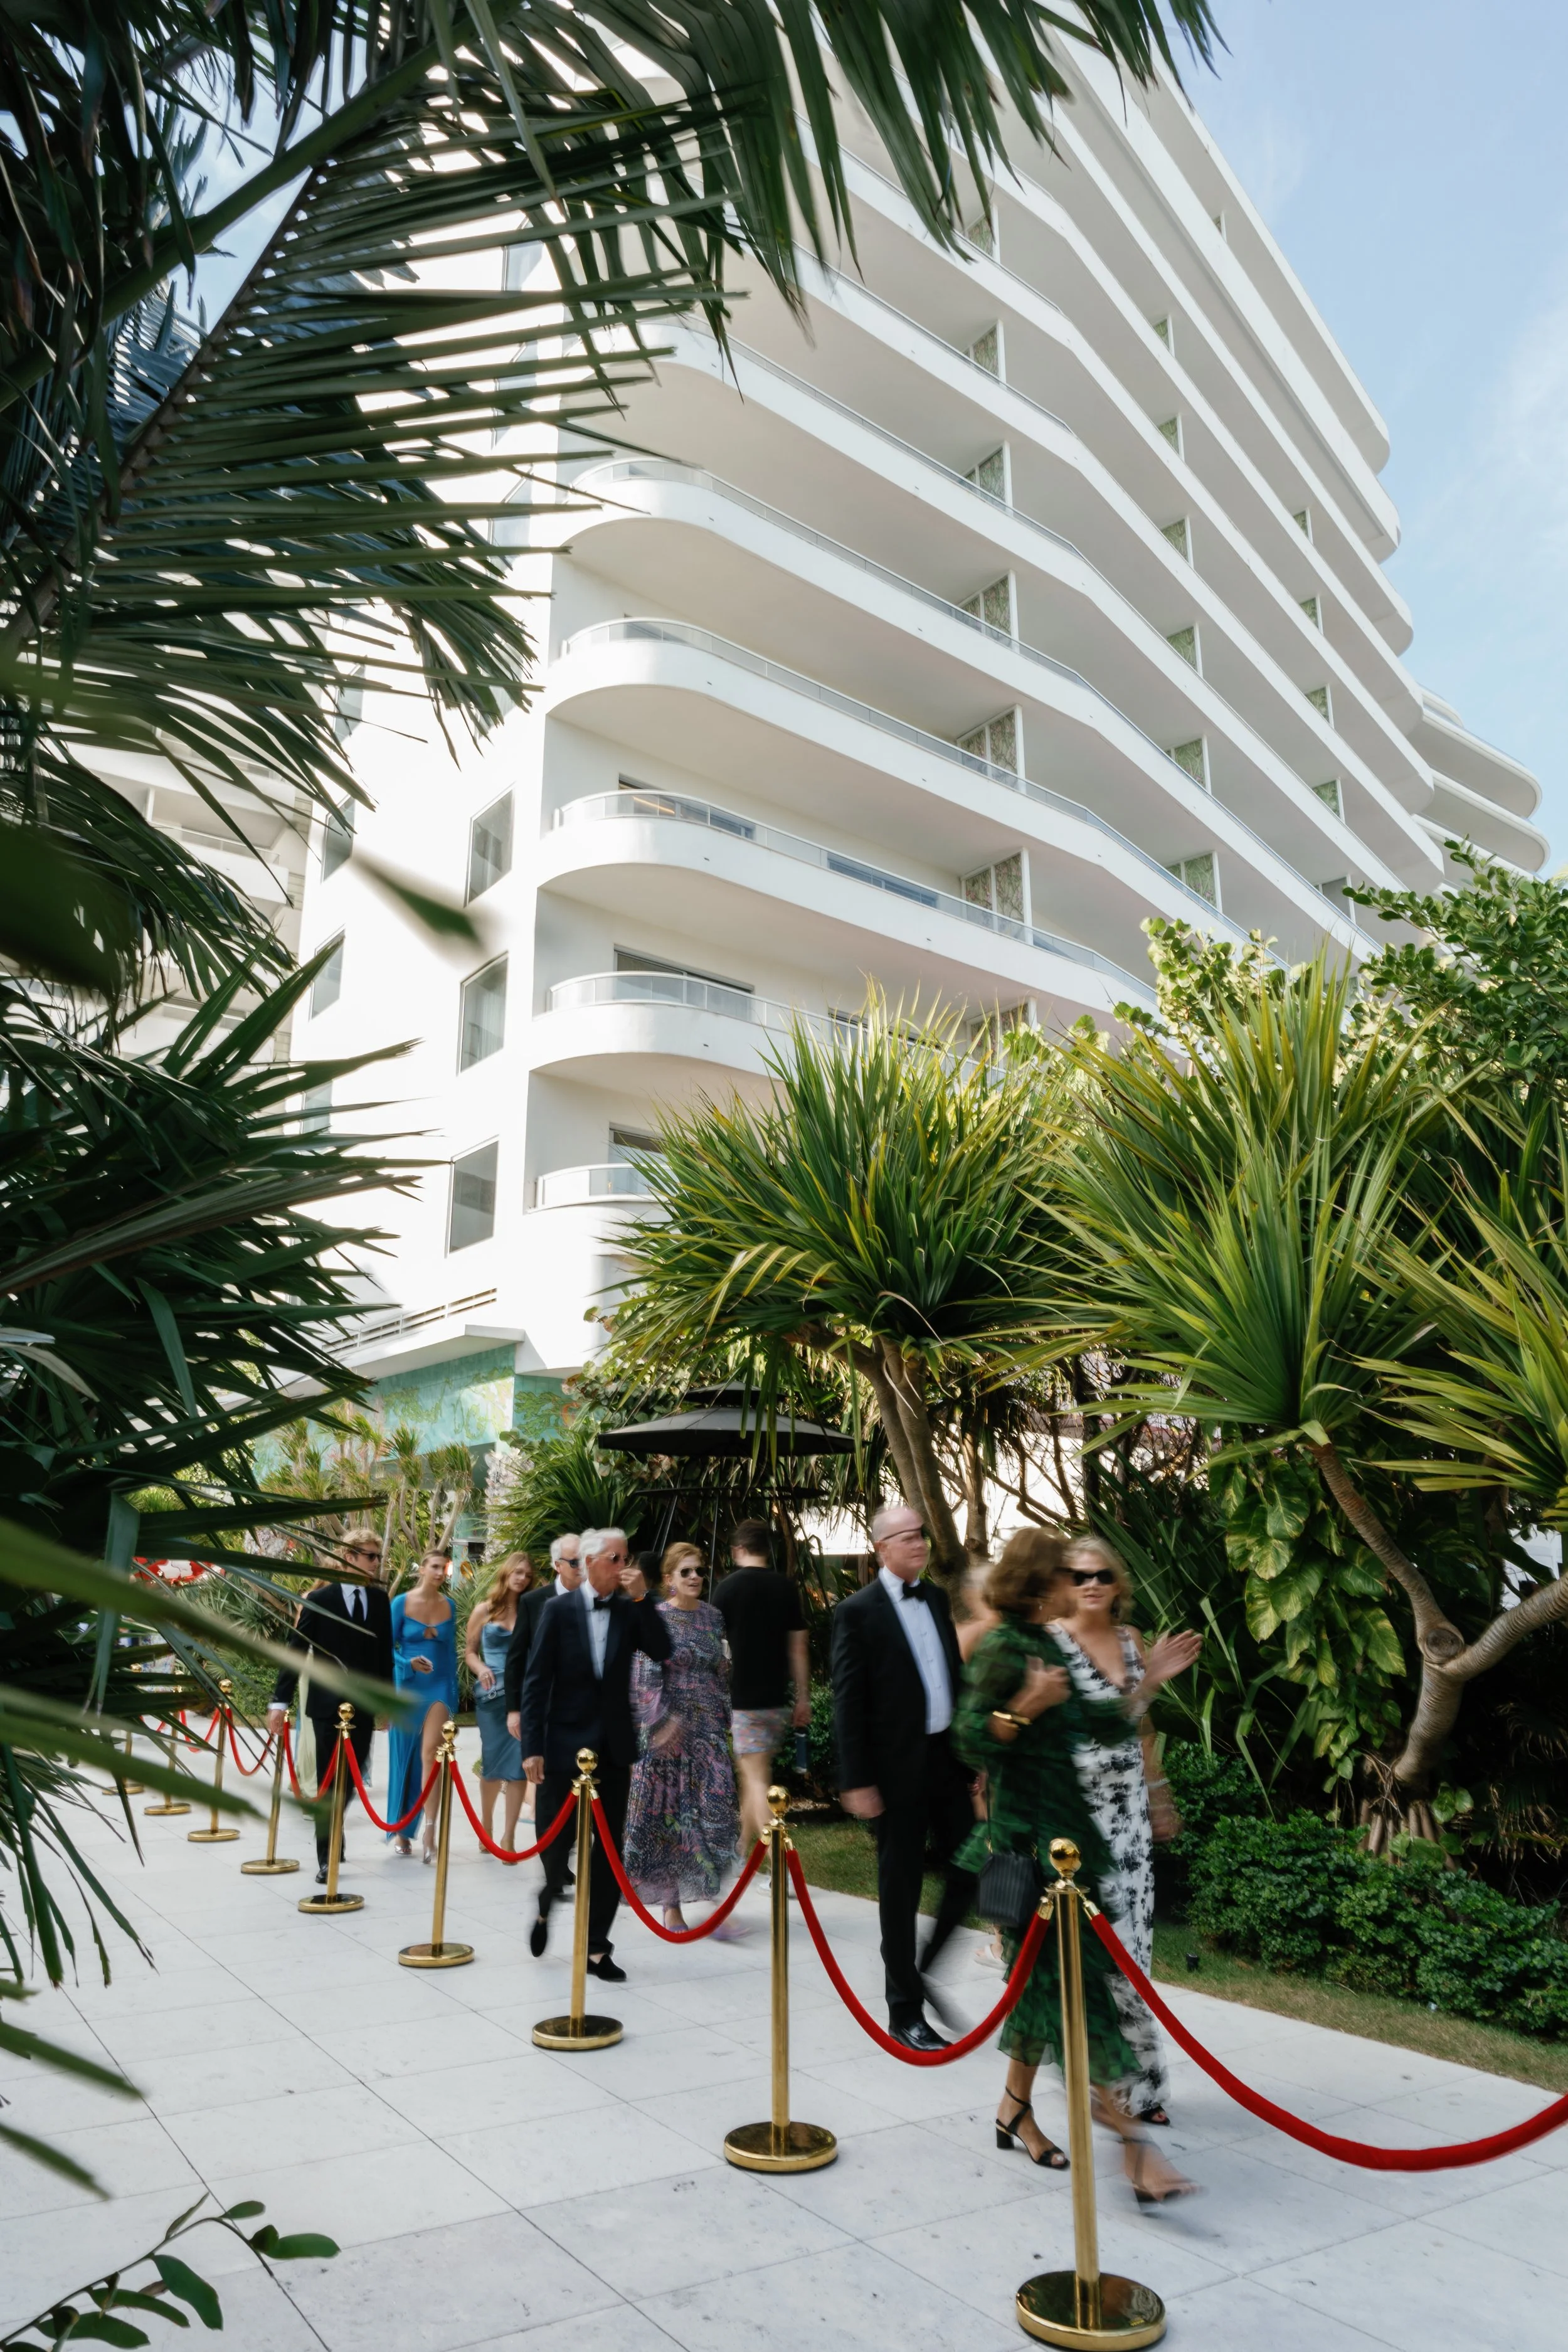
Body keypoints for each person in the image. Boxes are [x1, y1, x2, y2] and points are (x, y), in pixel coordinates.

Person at [953, 1528, 1196, 2203]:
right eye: (1068, 1572)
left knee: (1040, 1993)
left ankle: (1013, 2111)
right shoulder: (1007, 1647)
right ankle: (1134, 2150)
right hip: (1031, 1850)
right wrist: (1022, 1710)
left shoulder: (1045, 1644)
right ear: (1041, 1582)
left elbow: (1102, 1724)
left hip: (1072, 1848)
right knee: (1079, 1998)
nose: (1082, 1583)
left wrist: (1149, 1681)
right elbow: (970, 1736)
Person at [1055, 1535, 1202, 2126]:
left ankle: (1142, 2091)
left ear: (1117, 1584)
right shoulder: (1051, 1647)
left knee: (1133, 1958)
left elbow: (1141, 1738)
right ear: (1063, 1583)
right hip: (1076, 1827)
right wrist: (1150, 1685)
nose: (1091, 1584)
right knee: (1091, 1962)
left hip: (1130, 1827)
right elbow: (1087, 1740)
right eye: (1078, 1575)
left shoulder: (1132, 1642)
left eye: (1101, 1575)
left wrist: (1159, 1794)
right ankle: (1101, 2086)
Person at [829, 1502, 978, 2052]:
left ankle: (924, 1968)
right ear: (882, 1548)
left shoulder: (936, 1598)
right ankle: (904, 2010)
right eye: (908, 1537)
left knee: (972, 1867)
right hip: (892, 1773)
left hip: (944, 1760)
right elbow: (849, 1701)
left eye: (922, 1535)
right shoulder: (857, 1612)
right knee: (900, 1887)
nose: (920, 1543)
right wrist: (856, 1779)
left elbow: (953, 1679)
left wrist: (971, 1759)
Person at [518, 1526, 672, 1979]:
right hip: (562, 1746)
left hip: (613, 1748)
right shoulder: (557, 1610)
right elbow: (535, 1682)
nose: (624, 1567)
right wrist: (532, 1748)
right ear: (589, 1563)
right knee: (556, 1844)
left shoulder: (629, 1609)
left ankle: (596, 1948)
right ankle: (548, 1898)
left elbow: (662, 1649)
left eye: (626, 1559)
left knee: (607, 1852)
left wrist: (645, 1599)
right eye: (615, 1558)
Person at [267, 1527, 395, 1884]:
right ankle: (327, 1856)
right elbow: (295, 1651)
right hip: (326, 1707)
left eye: (377, 1557)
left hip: (364, 1708)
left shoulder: (380, 1601)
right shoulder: (319, 1600)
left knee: (351, 1779)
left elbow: (384, 1655)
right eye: (370, 1556)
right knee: (328, 1783)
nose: (376, 1563)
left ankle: (335, 1830)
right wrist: (279, 1702)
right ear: (349, 1558)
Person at [623, 1544, 741, 1930]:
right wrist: (660, 1723)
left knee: (718, 1815)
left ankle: (707, 1893)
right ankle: (672, 1905)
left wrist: (726, 1718)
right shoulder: (655, 1618)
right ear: (669, 1579)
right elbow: (642, 1678)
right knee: (671, 1822)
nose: (695, 1578)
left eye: (699, 1572)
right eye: (686, 1572)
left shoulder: (713, 1617)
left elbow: (723, 1670)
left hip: (708, 1734)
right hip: (668, 1736)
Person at [711, 1518, 809, 1857]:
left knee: (755, 1780)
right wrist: (803, 1698)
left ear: (739, 1550)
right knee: (753, 1774)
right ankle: (739, 1847)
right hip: (777, 1701)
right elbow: (798, 1649)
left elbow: (713, 1649)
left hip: (743, 1699)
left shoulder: (725, 1589)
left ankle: (778, 1860)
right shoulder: (786, 1587)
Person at [505, 1530, 582, 1853]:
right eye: (576, 1561)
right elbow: (516, 1659)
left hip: (584, 1712)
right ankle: (553, 1864)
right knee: (549, 1790)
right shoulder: (533, 1602)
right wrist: (514, 1709)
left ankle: (568, 1852)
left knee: (580, 1789)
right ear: (557, 1565)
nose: (583, 1567)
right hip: (546, 1711)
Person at [388, 1551, 460, 1862]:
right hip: (408, 1686)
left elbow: (452, 1652)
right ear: (422, 1569)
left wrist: (453, 1693)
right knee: (405, 1757)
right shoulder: (401, 1603)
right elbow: (386, 1647)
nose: (440, 1573)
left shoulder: (450, 1605)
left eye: (443, 1568)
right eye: (434, 1567)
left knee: (432, 1753)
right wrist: (407, 1663)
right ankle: (403, 1828)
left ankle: (431, 1827)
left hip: (440, 1685)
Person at [465, 1553, 533, 1851]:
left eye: (527, 1575)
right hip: (492, 1697)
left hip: (524, 1694)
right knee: (492, 1763)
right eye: (517, 1572)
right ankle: (487, 1823)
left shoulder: (531, 1610)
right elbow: (470, 1651)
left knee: (519, 1766)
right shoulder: (485, 1610)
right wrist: (480, 1668)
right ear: (506, 1574)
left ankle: (509, 1836)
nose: (522, 1579)